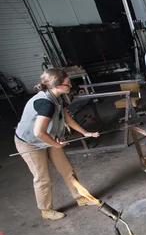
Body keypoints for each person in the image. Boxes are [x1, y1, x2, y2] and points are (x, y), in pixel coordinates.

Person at [14, 69, 100, 220]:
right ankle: (46, 210)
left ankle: (80, 198)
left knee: (67, 169)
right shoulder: (46, 103)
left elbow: (66, 117)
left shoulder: (58, 97)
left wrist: (84, 132)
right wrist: (56, 144)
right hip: (30, 143)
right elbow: (38, 133)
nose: (70, 85)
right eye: (68, 84)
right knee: (43, 178)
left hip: (47, 138)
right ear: (57, 85)